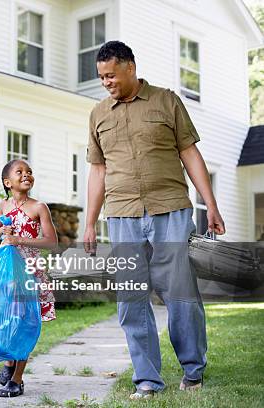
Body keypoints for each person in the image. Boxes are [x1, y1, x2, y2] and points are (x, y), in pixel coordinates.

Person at [84, 41, 225, 400]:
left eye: (111, 75)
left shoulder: (166, 101)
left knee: (181, 294)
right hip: (122, 214)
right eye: (101, 77)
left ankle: (193, 370)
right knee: (131, 298)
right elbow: (98, 171)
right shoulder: (99, 114)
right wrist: (89, 222)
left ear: (130, 66)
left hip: (171, 209)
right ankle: (147, 378)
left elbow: (189, 152)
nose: (106, 82)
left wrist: (210, 204)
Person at [0, 159, 58, 398]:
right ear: (8, 182)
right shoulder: (4, 205)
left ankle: (17, 380)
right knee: (6, 319)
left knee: (25, 323)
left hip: (29, 270)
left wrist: (20, 239)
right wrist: (3, 232)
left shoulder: (39, 207)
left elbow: (51, 241)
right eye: (20, 172)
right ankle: (9, 362)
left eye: (29, 171)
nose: (26, 174)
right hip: (7, 270)